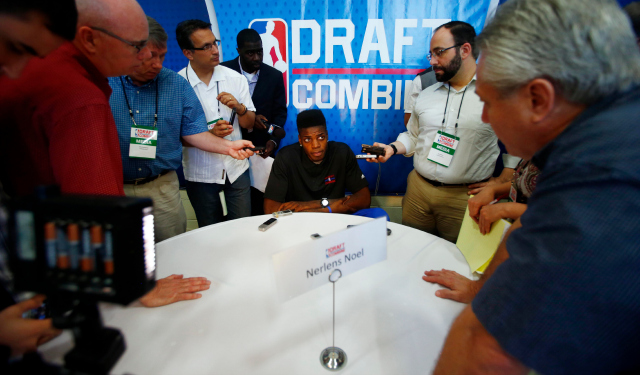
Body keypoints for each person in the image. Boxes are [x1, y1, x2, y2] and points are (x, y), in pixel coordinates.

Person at [433, 0, 640, 374]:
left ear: (538, 99)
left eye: (488, 102)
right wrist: (481, 291)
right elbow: (526, 228)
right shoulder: (603, 126)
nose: (484, 117)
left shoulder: (604, 182)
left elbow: (485, 349)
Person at [109, 17, 253, 242]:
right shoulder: (104, 83)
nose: (158, 64)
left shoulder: (175, 85)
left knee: (172, 249)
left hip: (163, 186)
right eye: (150, 57)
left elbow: (192, 131)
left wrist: (229, 146)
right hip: (115, 188)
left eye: (162, 56)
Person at [369, 21, 510, 243]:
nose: (433, 61)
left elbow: (522, 143)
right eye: (431, 55)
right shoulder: (427, 93)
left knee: (458, 264)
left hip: (464, 199)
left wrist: (504, 180)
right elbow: (414, 136)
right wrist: (392, 148)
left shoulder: (497, 94)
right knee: (412, 254)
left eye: (439, 53)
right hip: (418, 192)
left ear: (465, 50)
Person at [423, 159, 540, 303]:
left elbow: (562, 214)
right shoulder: (543, 148)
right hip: (518, 238)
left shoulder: (569, 159)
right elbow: (524, 183)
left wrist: (507, 209)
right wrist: (494, 190)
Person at [176, 19, 257, 228]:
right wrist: (209, 133)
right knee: (209, 234)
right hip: (200, 172)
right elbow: (174, 136)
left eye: (215, 43)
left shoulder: (235, 78)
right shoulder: (177, 85)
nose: (215, 50)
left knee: (241, 230)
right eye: (206, 46)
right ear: (188, 53)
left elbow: (249, 123)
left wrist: (239, 108)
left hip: (236, 168)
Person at [221, 28, 287, 215]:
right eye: (251, 53)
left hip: (261, 152)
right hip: (230, 149)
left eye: (260, 52)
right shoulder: (223, 73)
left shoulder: (274, 76)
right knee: (235, 208)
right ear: (238, 51)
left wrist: (273, 141)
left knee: (260, 205)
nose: (257, 57)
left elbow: (280, 114)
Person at [264, 109, 373, 215]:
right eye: (307, 139)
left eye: (321, 137)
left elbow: (364, 199)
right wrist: (334, 205)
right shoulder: (286, 157)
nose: (315, 145)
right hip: (298, 224)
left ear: (327, 135)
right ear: (300, 140)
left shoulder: (342, 153)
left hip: (334, 220)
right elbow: (270, 209)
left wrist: (312, 207)